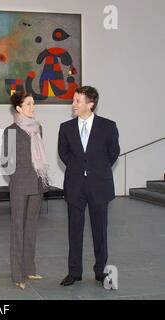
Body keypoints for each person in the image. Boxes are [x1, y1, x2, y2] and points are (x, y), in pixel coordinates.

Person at [58, 86, 120, 287]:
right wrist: (79, 169)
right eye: (73, 101)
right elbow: (64, 154)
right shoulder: (65, 127)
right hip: (75, 185)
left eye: (77, 101)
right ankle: (74, 272)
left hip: (99, 185)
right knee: (74, 230)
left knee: (100, 230)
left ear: (90, 104)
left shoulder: (108, 126)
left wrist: (96, 170)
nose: (73, 105)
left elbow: (113, 153)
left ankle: (100, 271)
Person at [1, 92, 49, 289]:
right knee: (18, 228)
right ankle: (17, 275)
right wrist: (19, 176)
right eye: (28, 104)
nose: (32, 107)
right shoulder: (11, 130)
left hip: (37, 184)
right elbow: (5, 162)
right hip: (20, 185)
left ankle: (29, 268)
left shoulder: (38, 129)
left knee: (31, 227)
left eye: (33, 103)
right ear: (19, 108)